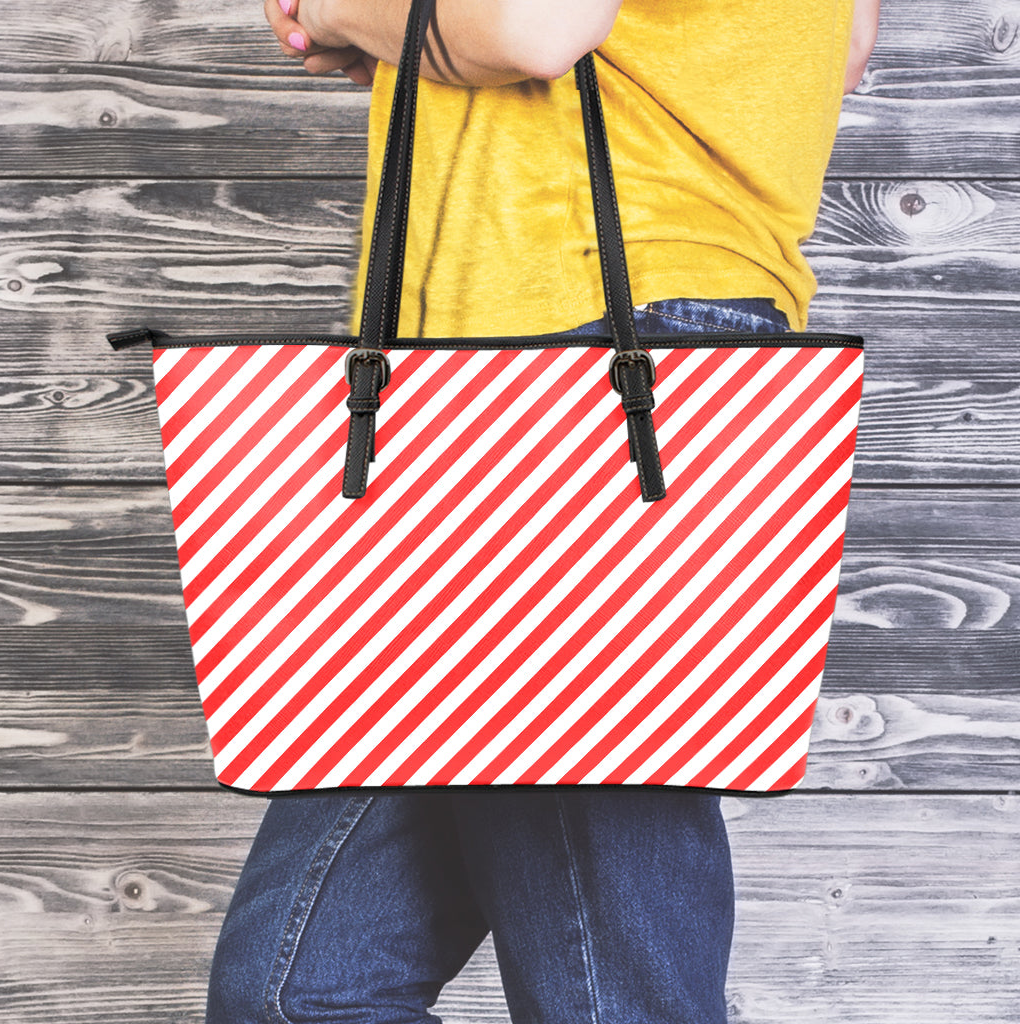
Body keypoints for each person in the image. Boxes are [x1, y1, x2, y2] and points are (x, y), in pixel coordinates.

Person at [206, 2, 880, 1022]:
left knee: (604, 997)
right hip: (544, 361)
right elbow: (834, 48)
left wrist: (339, 6)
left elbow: (529, 28)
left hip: (578, 347)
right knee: (298, 994)